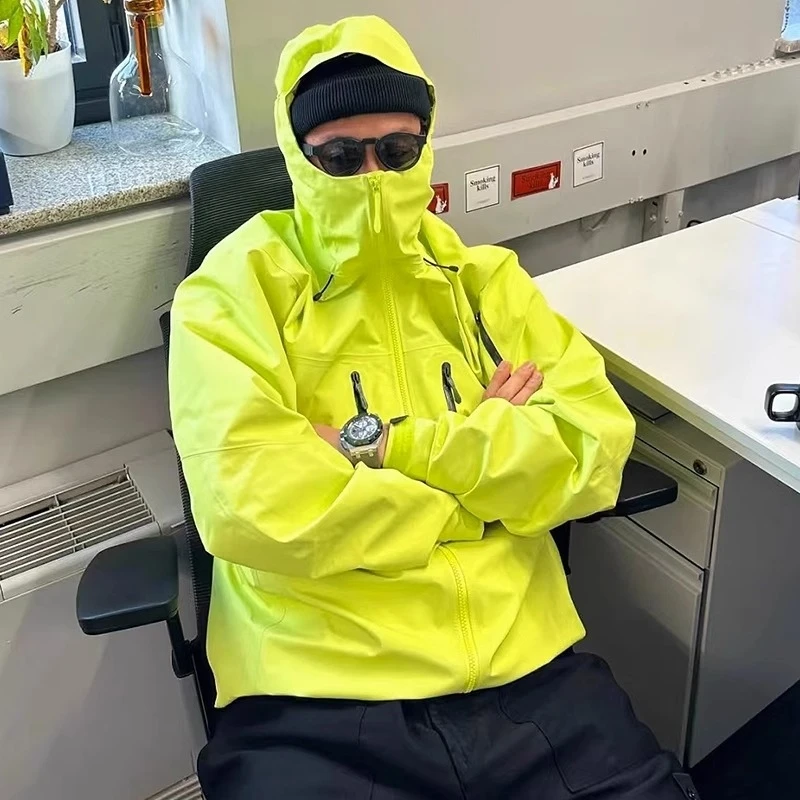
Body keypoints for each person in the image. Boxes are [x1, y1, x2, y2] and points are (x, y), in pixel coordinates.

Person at [168, 15, 700, 800]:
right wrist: (486, 485)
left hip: (524, 672)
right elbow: (250, 504)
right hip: (316, 689)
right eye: (341, 157)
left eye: (397, 151)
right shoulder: (231, 293)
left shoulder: (488, 283)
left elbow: (593, 449)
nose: (374, 176)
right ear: (299, 157)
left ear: (424, 146)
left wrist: (378, 447)